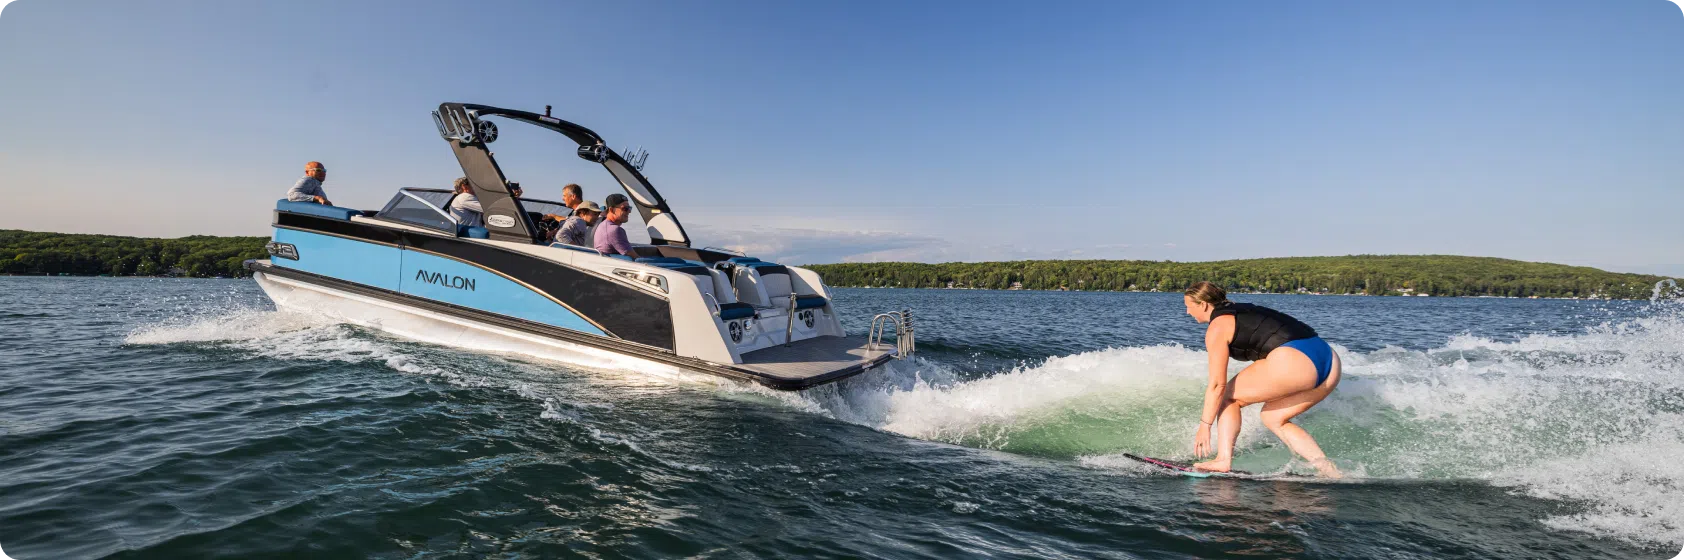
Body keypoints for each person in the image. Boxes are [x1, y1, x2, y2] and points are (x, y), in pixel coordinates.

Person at [1183, 281, 1342, 478]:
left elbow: (1217, 385)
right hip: (1329, 360)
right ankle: (1328, 470)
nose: (1188, 312)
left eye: (1188, 307)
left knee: (1229, 397)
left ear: (1204, 305)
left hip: (1297, 360)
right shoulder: (1240, 309)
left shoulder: (1217, 327)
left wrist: (1204, 426)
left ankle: (1223, 460)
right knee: (1274, 418)